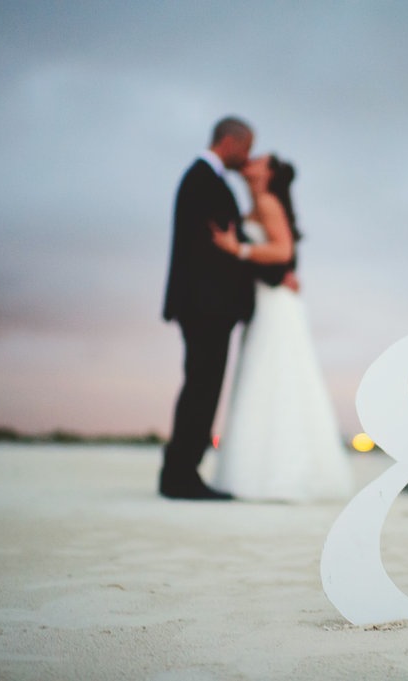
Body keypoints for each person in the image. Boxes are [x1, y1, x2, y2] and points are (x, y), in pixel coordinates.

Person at [208, 154, 354, 502]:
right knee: (264, 378)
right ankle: (257, 472)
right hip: (264, 299)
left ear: (268, 172)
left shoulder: (268, 202)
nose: (250, 161)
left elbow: (282, 250)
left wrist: (237, 249)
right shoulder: (258, 203)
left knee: (278, 377)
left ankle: (279, 474)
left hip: (275, 304)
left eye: (258, 160)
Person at [159, 116, 255, 500]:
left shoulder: (203, 179)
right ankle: (181, 476)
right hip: (206, 308)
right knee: (202, 388)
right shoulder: (202, 179)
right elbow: (211, 250)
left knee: (201, 387)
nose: (247, 156)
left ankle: (181, 472)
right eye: (246, 147)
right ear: (230, 141)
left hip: (205, 306)